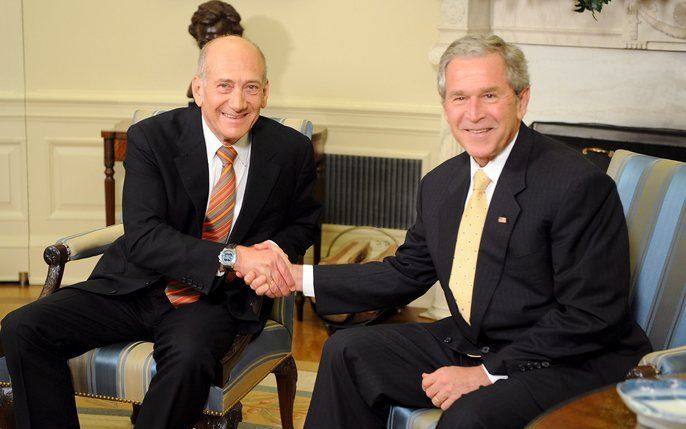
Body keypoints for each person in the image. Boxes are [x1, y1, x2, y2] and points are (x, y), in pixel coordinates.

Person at [246, 34, 652, 428]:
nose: (473, 114)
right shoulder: (443, 184)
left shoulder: (575, 184)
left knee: (468, 416)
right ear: (445, 106)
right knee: (347, 351)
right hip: (477, 342)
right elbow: (406, 273)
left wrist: (485, 374)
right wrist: (296, 277)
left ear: (522, 99)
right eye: (460, 98)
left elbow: (590, 316)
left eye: (489, 95)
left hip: (568, 360)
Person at [1, 35, 320, 429]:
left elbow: (304, 222)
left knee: (188, 359)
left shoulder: (290, 150)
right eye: (224, 85)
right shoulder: (153, 138)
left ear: (266, 92)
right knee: (23, 327)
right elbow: (144, 236)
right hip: (135, 284)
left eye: (250, 87)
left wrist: (268, 254)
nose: (237, 102)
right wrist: (234, 255)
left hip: (216, 299)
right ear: (198, 88)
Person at [187, 1, 244, 98]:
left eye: (215, 41)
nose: (209, 47)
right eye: (203, 42)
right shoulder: (200, 81)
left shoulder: (247, 72)